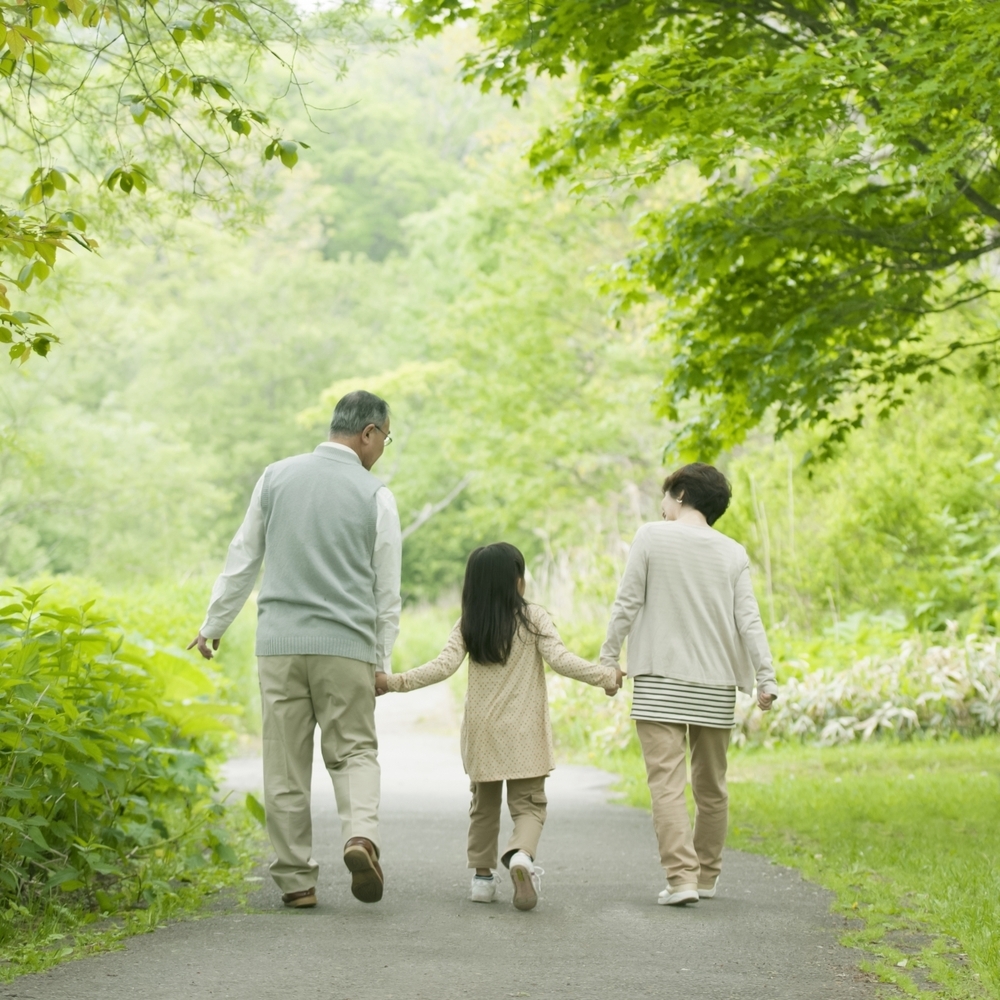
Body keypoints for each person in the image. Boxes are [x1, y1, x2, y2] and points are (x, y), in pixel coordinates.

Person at [188, 390, 401, 909]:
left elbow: (243, 557)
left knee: (284, 763)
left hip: (279, 645)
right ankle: (359, 836)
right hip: (346, 646)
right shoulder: (375, 495)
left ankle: (295, 881)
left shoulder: (275, 477)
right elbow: (386, 590)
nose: (383, 449)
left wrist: (214, 624)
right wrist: (381, 660)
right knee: (354, 750)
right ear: (367, 432)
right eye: (385, 439)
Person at [377, 542, 621, 911]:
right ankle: (521, 856)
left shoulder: (468, 623)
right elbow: (561, 660)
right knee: (529, 806)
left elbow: (441, 667)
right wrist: (605, 676)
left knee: (484, 807)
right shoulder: (534, 618)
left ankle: (482, 879)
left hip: (483, 732)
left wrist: (393, 682)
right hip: (524, 733)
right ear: (518, 583)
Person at [600, 463, 777, 906]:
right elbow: (749, 622)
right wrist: (765, 677)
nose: (661, 508)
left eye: (665, 498)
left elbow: (627, 602)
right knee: (712, 786)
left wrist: (608, 658)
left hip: (660, 678)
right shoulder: (733, 552)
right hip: (716, 684)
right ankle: (707, 876)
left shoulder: (650, 537)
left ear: (679, 495)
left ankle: (681, 878)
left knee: (666, 783)